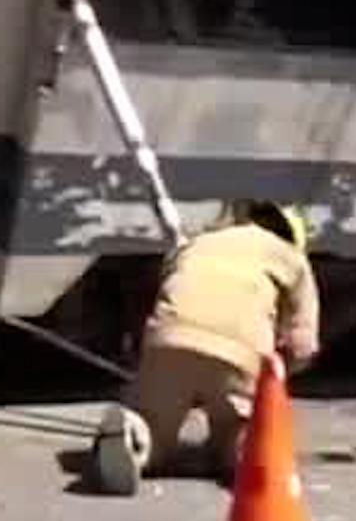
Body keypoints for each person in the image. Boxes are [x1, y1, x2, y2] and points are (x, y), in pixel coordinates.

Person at [89, 199, 320, 496]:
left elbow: (168, 289)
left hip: (171, 337)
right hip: (240, 352)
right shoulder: (291, 258)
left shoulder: (198, 243)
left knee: (153, 420)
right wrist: (280, 373)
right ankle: (247, 450)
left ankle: (134, 437)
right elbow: (303, 345)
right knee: (236, 426)